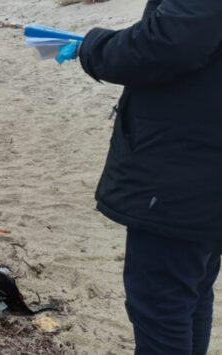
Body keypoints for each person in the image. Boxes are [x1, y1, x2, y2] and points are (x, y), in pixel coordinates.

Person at [56, 1, 222, 353]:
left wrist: (95, 47)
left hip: (187, 165)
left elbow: (170, 42)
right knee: (188, 290)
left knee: (162, 301)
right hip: (200, 162)